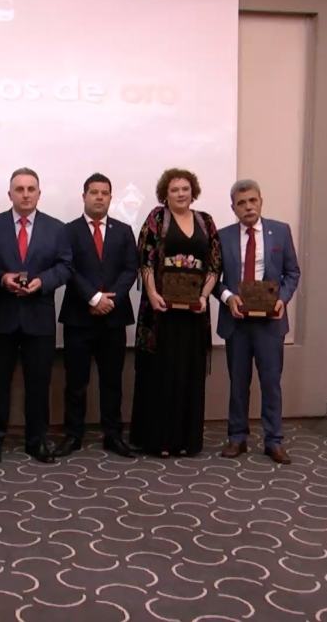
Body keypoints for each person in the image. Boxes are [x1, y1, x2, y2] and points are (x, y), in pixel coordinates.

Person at [130, 168, 222, 458]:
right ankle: (159, 440)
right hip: (161, 314)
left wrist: (205, 296)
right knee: (161, 375)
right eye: (174, 190)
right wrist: (153, 294)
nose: (181, 194)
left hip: (193, 314)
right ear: (164, 194)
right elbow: (145, 259)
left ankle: (186, 440)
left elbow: (215, 263)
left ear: (192, 191)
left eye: (185, 189)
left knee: (188, 374)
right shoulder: (156, 219)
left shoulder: (205, 221)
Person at [0, 167, 72, 464]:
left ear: (38, 193)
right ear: (9, 194)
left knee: (38, 383)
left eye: (30, 189)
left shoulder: (57, 228)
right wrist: (2, 278)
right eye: (19, 189)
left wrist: (42, 282)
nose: (25, 194)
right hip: (1, 317)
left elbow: (65, 267)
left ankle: (37, 440)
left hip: (38, 317)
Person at [214, 179, 301, 464]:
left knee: (271, 383)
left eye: (252, 201)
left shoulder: (281, 231)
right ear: (233, 208)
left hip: (271, 322)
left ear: (261, 201)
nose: (248, 207)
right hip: (236, 320)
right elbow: (214, 280)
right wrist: (228, 298)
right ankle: (237, 438)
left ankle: (273, 441)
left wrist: (282, 299)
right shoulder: (223, 236)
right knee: (238, 382)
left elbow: (292, 273)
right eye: (241, 203)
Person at [56, 173, 138, 459]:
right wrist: (93, 298)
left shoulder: (124, 231)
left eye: (104, 193)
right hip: (80, 317)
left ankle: (113, 435)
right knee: (76, 381)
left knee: (112, 380)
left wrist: (109, 300)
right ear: (84, 197)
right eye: (94, 192)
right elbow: (68, 269)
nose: (99, 197)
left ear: (111, 198)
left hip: (113, 317)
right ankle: (73, 435)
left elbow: (131, 269)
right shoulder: (68, 231)